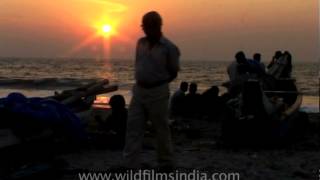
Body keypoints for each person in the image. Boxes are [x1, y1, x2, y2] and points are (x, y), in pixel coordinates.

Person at [123, 11, 180, 170]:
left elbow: (174, 72)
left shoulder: (169, 48)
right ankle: (131, 165)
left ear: (157, 26)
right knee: (133, 127)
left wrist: (157, 83)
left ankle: (166, 163)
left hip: (158, 91)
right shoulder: (140, 43)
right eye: (144, 27)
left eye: (148, 26)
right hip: (139, 90)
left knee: (161, 128)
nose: (145, 30)